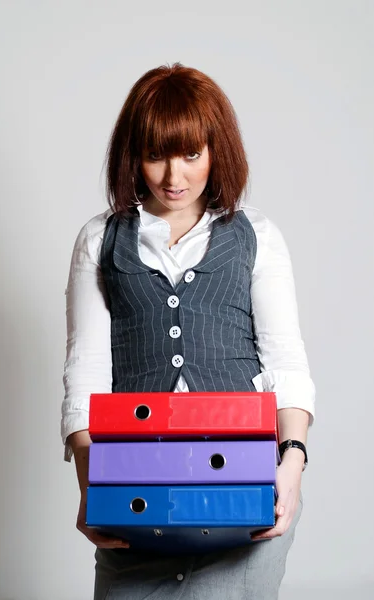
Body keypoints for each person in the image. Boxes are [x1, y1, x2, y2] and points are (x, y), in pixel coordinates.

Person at [61, 62, 316, 600]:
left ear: (216, 150)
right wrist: (91, 485)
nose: (174, 177)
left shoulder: (257, 237)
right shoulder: (98, 239)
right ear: (134, 155)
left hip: (244, 482)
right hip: (134, 482)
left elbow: (285, 360)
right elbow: (85, 369)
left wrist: (290, 463)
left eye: (191, 155)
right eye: (156, 156)